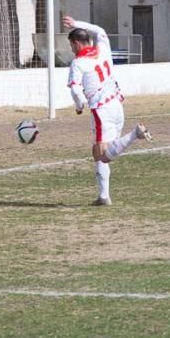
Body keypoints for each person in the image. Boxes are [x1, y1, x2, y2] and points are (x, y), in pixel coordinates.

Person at [63, 15, 152, 206]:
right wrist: (76, 23)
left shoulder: (78, 63)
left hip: (102, 111)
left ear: (77, 43)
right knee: (98, 151)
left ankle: (135, 134)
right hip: (117, 105)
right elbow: (99, 29)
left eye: (71, 46)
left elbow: (76, 90)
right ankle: (104, 196)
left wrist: (79, 107)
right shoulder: (103, 48)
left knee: (103, 155)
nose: (71, 50)